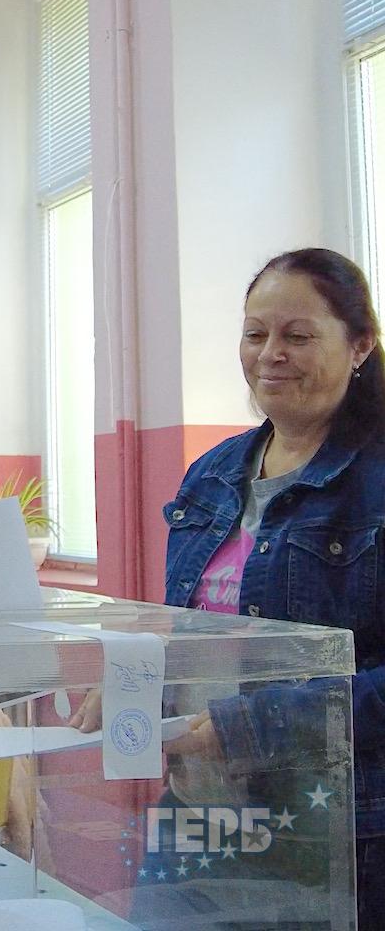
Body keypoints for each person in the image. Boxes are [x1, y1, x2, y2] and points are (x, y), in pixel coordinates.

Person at [156, 249, 383, 927]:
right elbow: (191, 633)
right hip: (197, 812)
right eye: (255, 334)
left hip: (334, 827)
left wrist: (256, 724)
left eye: (298, 335)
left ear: (360, 346)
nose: (270, 354)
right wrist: (130, 683)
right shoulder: (212, 474)